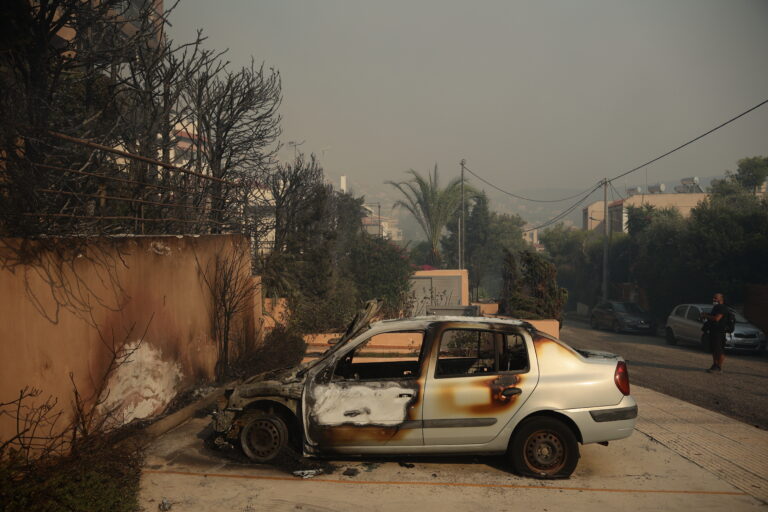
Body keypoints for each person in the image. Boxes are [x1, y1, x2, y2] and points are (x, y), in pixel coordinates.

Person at [702, 293, 728, 373]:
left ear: (721, 299)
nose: (714, 299)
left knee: (719, 350)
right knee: (714, 350)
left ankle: (719, 367)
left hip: (719, 332)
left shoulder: (722, 307)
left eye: (716, 298)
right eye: (713, 298)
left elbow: (717, 318)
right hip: (714, 331)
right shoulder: (716, 307)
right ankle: (714, 365)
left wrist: (706, 316)